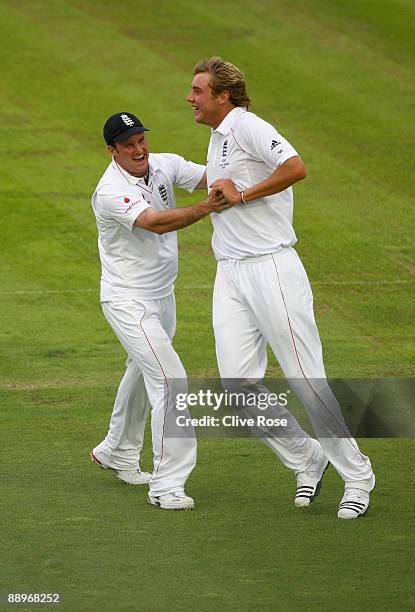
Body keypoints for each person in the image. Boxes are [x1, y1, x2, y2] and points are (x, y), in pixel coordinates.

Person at [186, 57, 376, 519]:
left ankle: (357, 474)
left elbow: (295, 167)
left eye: (197, 90)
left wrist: (244, 196)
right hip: (230, 272)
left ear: (222, 95)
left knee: (305, 377)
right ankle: (306, 457)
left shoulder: (249, 126)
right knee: (236, 384)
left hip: (271, 268)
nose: (189, 97)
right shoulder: (217, 137)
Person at [90, 111, 231, 510]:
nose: (139, 150)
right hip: (127, 300)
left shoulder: (163, 164)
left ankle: (117, 449)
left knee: (141, 370)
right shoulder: (110, 191)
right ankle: (166, 485)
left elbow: (211, 175)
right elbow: (155, 223)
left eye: (141, 141)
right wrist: (209, 207)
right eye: (128, 145)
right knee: (171, 379)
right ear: (112, 151)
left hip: (161, 296)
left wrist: (253, 174)